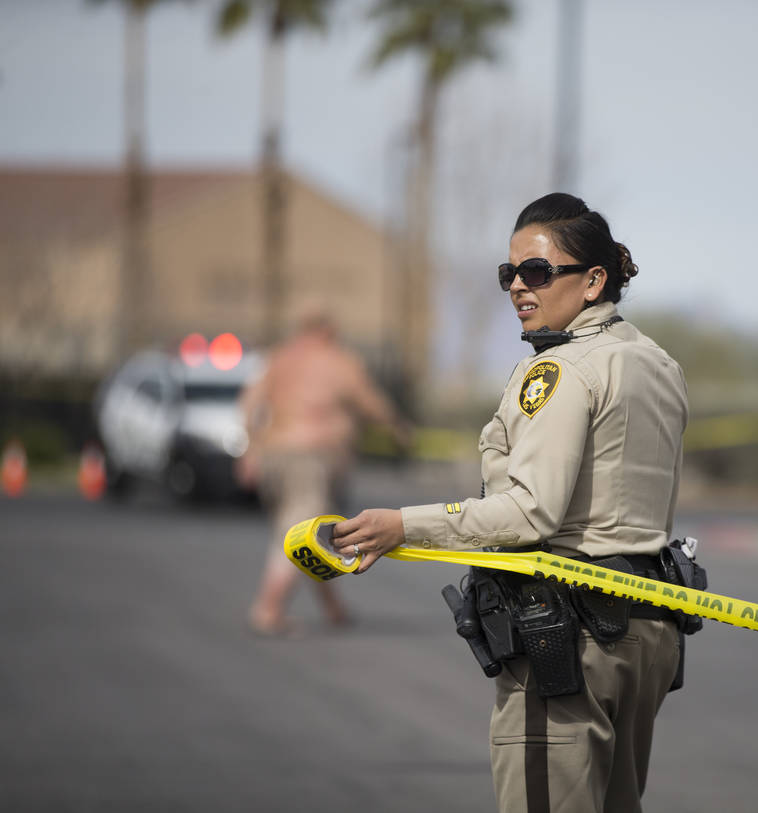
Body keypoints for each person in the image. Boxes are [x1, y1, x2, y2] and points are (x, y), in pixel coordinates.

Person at [330, 193, 692, 812]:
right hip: (647, 631)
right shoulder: (658, 363)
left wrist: (402, 527)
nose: (519, 287)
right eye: (510, 273)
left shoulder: (560, 370)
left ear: (594, 280)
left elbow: (529, 513)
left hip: (572, 637)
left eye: (538, 272)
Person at [238, 308, 410, 636]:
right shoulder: (337, 361)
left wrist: (249, 450)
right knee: (297, 529)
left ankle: (333, 608)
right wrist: (399, 427)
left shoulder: (278, 358)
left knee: (317, 529)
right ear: (327, 332)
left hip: (274, 455)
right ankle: (268, 608)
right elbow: (369, 401)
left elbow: (249, 402)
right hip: (311, 459)